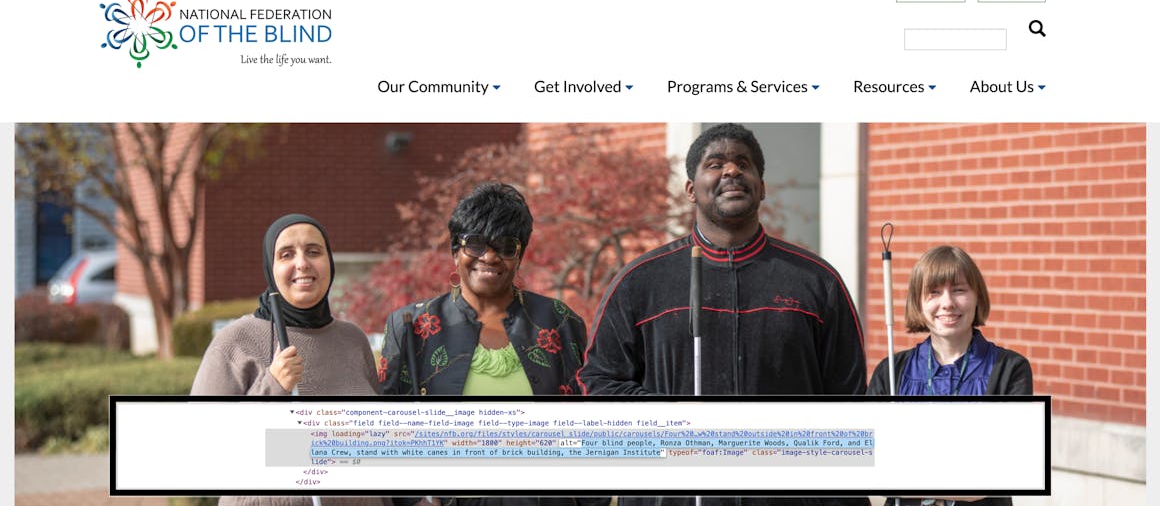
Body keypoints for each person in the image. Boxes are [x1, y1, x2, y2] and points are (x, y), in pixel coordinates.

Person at [577, 123, 869, 506]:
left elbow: (848, 405)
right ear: (690, 190)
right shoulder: (640, 282)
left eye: (743, 164)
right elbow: (597, 383)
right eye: (715, 164)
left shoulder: (816, 282)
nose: (731, 171)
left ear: (761, 186)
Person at [380, 183, 604, 506]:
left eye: (504, 245)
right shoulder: (412, 327)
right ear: (455, 250)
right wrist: (412, 499)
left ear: (520, 254)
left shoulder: (559, 322)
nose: (489, 256)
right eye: (475, 244)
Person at [191, 213, 384, 506]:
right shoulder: (235, 342)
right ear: (271, 267)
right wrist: (272, 387)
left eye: (313, 251)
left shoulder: (353, 340)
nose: (302, 263)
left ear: (329, 262)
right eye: (286, 254)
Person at [867, 245, 1032, 506]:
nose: (947, 303)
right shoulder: (891, 373)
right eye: (934, 292)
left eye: (959, 290)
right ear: (918, 303)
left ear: (977, 296)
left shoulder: (1010, 369)